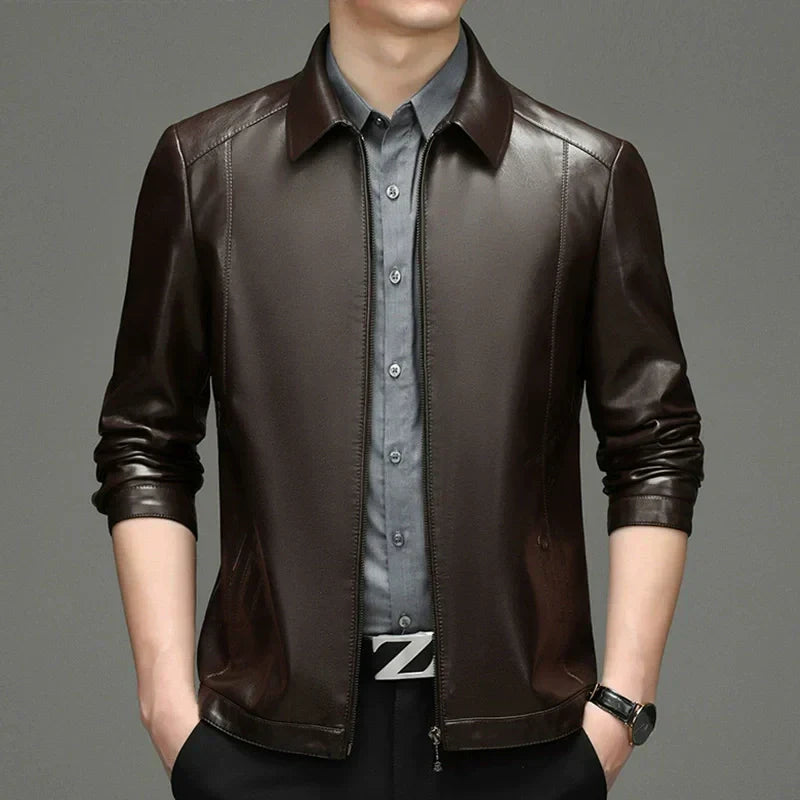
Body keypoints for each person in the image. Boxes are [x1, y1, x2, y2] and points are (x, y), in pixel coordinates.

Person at [90, 1, 705, 797]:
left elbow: (654, 445)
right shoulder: (209, 169)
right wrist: (168, 709)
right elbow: (146, 440)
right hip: (267, 750)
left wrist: (620, 709)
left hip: (523, 753)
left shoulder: (583, 176)